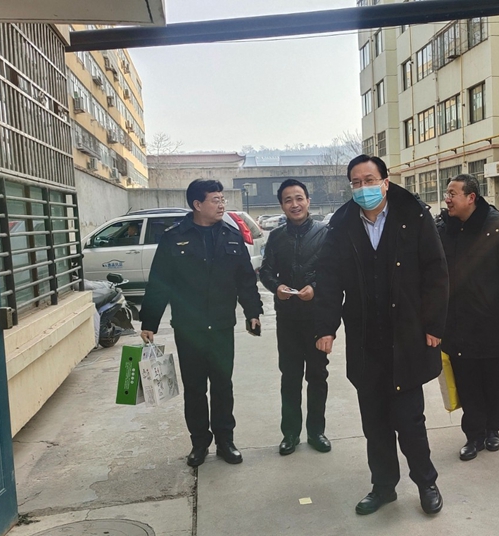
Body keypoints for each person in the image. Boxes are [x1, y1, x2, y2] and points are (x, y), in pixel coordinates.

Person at [314, 155, 448, 516]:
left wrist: (434, 325)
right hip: (365, 339)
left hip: (407, 336)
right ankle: (384, 487)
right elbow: (328, 278)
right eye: (356, 182)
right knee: (374, 423)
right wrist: (326, 327)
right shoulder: (342, 224)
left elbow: (436, 272)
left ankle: (426, 483)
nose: (363, 188)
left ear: (385, 182)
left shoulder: (413, 216)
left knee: (409, 420)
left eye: (369, 180)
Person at [139, 179, 263, 468]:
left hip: (221, 326)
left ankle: (225, 441)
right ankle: (199, 443)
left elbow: (246, 280)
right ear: (197, 204)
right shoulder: (174, 238)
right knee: (195, 388)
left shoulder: (232, 236)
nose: (222, 205)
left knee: (222, 386)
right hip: (189, 327)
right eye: (215, 200)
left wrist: (253, 312)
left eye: (223, 199)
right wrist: (149, 322)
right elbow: (159, 282)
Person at [437, 174, 499, 461]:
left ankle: (493, 430)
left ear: (471, 197)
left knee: (492, 379)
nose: (447, 199)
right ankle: (473, 435)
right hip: (457, 321)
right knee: (467, 382)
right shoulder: (443, 229)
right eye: (447, 193)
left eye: (453, 193)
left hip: (492, 319)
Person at [259, 179, 331, 456]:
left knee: (317, 376)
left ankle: (316, 432)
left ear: (308, 201)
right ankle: (290, 434)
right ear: (282, 205)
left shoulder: (325, 233)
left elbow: (333, 271)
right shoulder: (276, 236)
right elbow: (266, 271)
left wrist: (315, 287)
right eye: (288, 200)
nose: (295, 204)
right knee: (290, 377)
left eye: (299, 198)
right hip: (287, 318)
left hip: (316, 319)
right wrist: (276, 287)